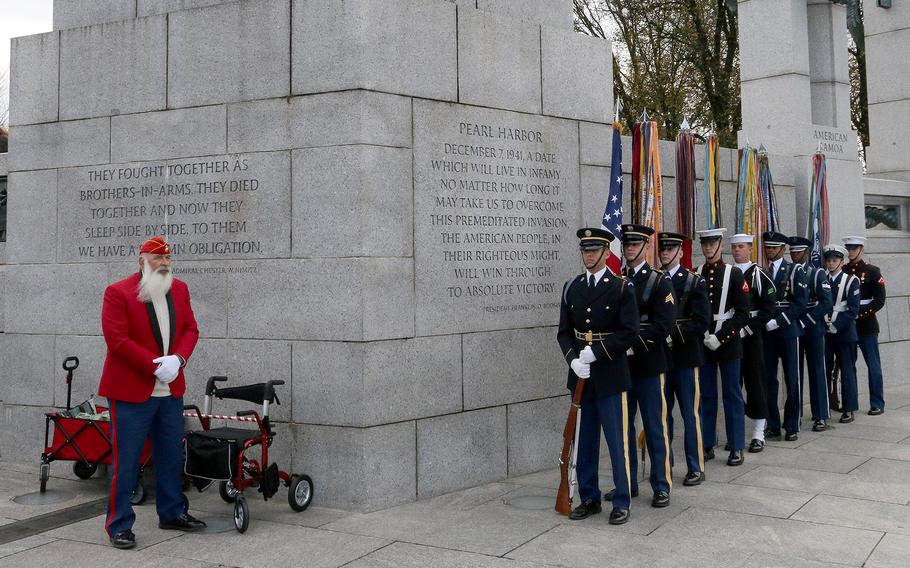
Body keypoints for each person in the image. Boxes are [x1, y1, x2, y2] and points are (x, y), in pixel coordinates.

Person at [98, 236, 206, 549]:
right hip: (131, 393)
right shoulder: (118, 292)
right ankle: (119, 524)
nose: (164, 264)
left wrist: (179, 360)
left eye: (168, 259)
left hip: (170, 391)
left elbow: (191, 330)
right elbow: (116, 340)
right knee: (127, 462)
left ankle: (172, 512)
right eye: (157, 259)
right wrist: (154, 365)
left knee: (171, 456)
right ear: (141, 260)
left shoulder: (181, 290)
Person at [557, 228, 639, 524]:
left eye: (594, 250)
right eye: (584, 250)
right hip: (581, 376)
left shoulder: (621, 287)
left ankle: (622, 500)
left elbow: (630, 332)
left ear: (607, 253)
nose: (588, 255)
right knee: (585, 440)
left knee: (617, 441)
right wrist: (573, 360)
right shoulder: (572, 287)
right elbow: (564, 332)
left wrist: (599, 352)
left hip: (610, 375)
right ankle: (589, 497)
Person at [603, 224, 675, 508]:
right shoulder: (617, 280)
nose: (630, 249)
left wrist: (633, 341)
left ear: (646, 247)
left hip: (648, 364)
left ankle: (661, 484)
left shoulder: (659, 282)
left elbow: (664, 324)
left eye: (635, 245)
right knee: (624, 428)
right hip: (622, 366)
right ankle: (628, 482)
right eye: (627, 245)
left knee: (654, 426)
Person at [658, 231, 710, 486]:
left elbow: (701, 321)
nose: (665, 253)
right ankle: (665, 464)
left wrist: (672, 335)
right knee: (662, 415)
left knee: (690, 414)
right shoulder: (654, 281)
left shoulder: (693, 281)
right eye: (662, 249)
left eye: (670, 249)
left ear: (680, 252)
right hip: (661, 359)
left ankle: (696, 466)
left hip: (686, 356)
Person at [696, 228, 749, 466]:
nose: (708, 248)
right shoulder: (696, 273)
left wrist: (722, 336)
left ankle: (736, 445)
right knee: (706, 395)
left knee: (732, 395)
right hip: (704, 341)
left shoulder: (734, 274)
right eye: (704, 244)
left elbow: (743, 313)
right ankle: (707, 443)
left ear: (720, 245)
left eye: (712, 244)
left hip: (728, 342)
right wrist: (704, 333)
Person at [729, 234, 775, 451]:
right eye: (734, 247)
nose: (737, 250)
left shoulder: (759, 274)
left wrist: (748, 328)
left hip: (752, 335)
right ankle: (735, 434)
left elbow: (768, 308)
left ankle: (758, 433)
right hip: (732, 335)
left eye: (741, 247)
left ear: (750, 249)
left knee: (755, 382)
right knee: (733, 385)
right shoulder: (729, 273)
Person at [762, 231, 808, 442]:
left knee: (792, 379)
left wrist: (779, 321)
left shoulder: (795, 270)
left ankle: (791, 425)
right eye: (768, 247)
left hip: (788, 330)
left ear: (783, 249)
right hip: (767, 332)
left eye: (774, 248)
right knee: (769, 379)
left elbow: (800, 302)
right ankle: (772, 424)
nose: (770, 251)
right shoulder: (762, 271)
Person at [788, 236, 834, 431]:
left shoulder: (817, 274)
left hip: (813, 326)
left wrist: (806, 321)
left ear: (806, 253)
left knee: (817, 370)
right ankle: (795, 414)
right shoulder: (788, 272)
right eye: (792, 252)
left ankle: (820, 415)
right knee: (794, 373)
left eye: (798, 252)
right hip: (795, 325)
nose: (794, 255)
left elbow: (826, 302)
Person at [842, 236, 887, 415]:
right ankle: (850, 405)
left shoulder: (873, 271)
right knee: (848, 366)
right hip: (847, 325)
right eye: (849, 248)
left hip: (867, 325)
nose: (851, 252)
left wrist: (857, 314)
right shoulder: (842, 270)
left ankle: (877, 403)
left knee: (873, 366)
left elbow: (879, 301)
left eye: (854, 248)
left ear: (862, 249)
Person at [823, 244, 861, 424]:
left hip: (844, 332)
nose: (831, 264)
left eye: (835, 260)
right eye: (829, 260)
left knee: (847, 370)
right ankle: (826, 406)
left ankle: (849, 408)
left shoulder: (851, 280)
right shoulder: (822, 279)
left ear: (842, 261)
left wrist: (836, 326)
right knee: (825, 369)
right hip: (825, 330)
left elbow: (853, 310)